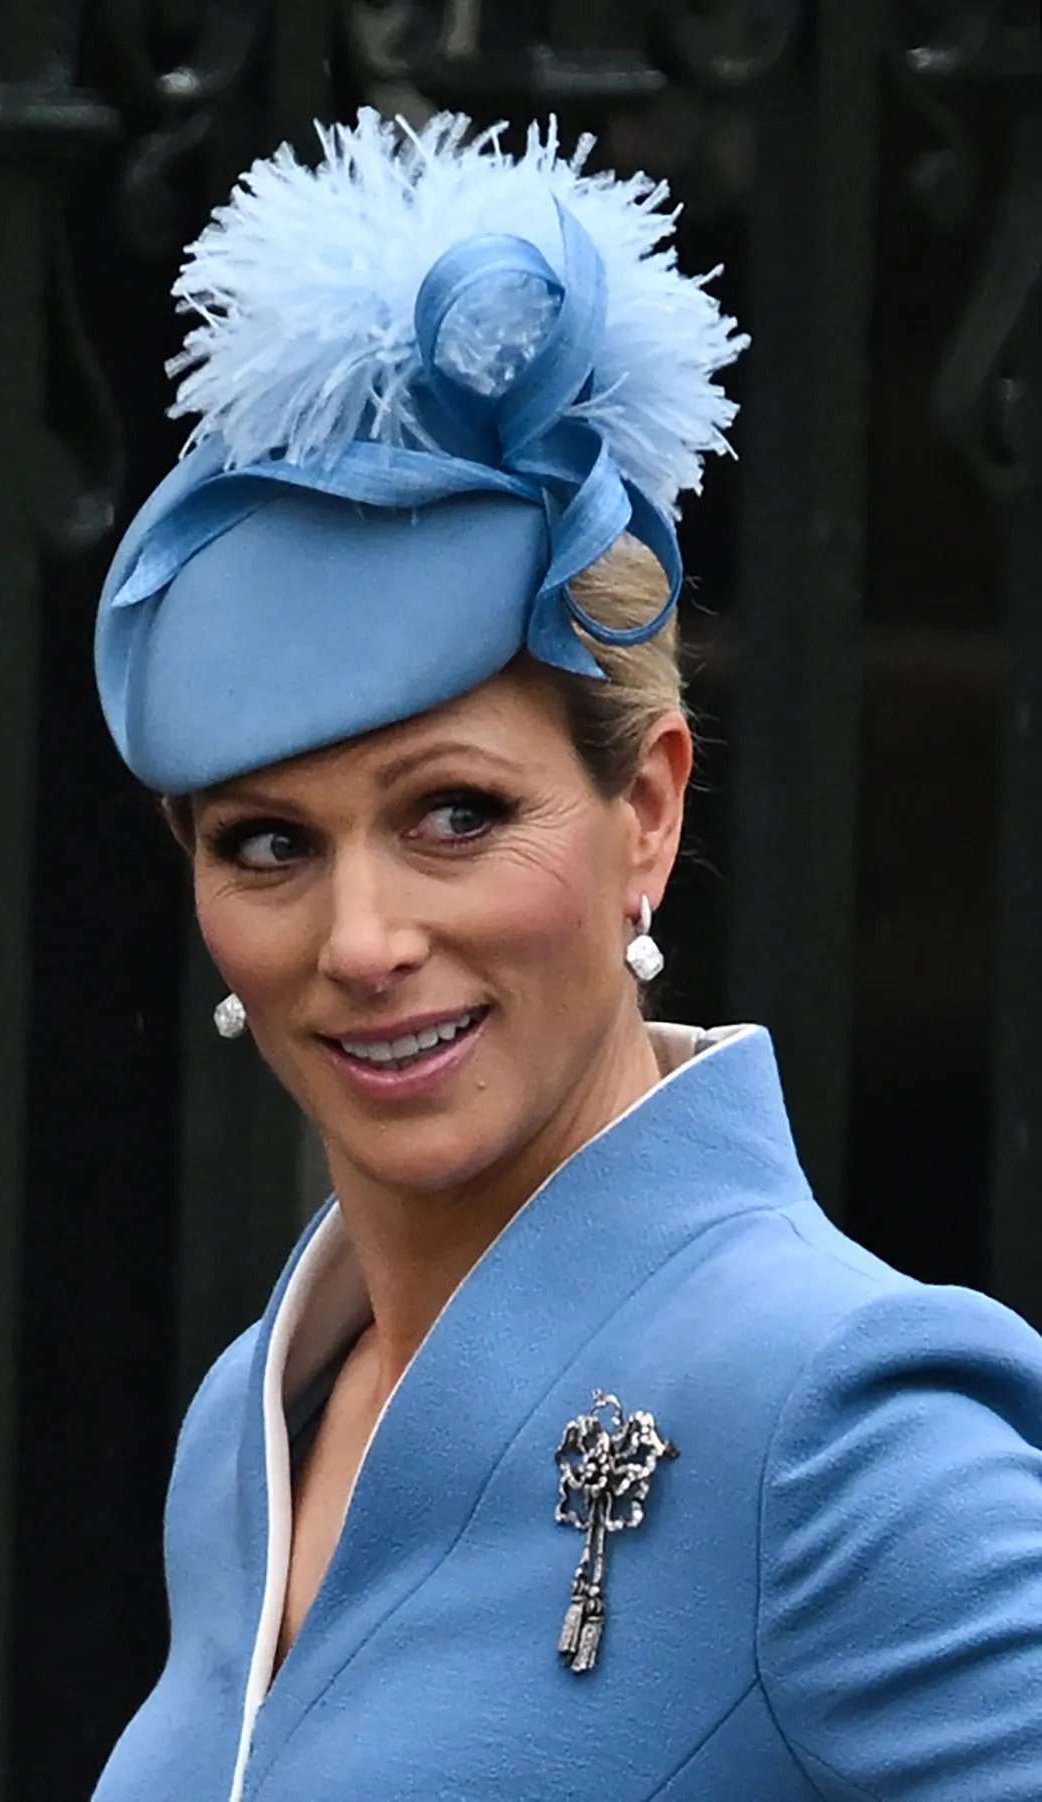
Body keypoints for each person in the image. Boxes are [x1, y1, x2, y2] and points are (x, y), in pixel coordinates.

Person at [89, 111, 1042, 1802]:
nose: (365, 939)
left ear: (649, 813)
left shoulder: (835, 1419)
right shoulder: (257, 1410)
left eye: (455, 813)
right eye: (270, 843)